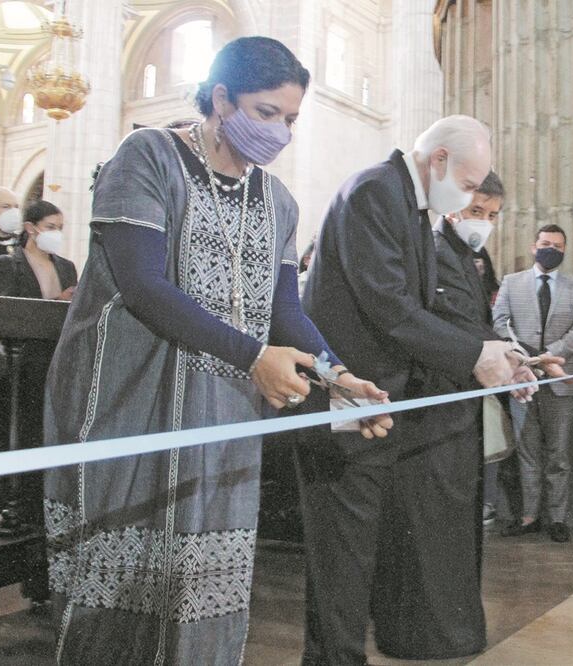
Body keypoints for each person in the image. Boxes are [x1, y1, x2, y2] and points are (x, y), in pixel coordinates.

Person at [41, 37, 389, 664]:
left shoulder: (277, 201)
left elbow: (285, 311)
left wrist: (339, 377)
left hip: (218, 411)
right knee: (119, 583)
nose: (280, 133)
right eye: (265, 114)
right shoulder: (147, 157)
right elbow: (144, 285)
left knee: (201, 588)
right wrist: (254, 357)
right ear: (220, 98)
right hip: (127, 391)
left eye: (290, 119)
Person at [296, 115, 537, 664]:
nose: (471, 197)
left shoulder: (414, 207)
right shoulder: (375, 192)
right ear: (440, 161)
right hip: (345, 402)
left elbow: (428, 307)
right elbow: (390, 306)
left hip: (378, 407)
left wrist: (499, 352)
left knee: (363, 558)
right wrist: (475, 355)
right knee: (342, 564)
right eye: (471, 185)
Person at [493, 224, 573, 542]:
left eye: (558, 245)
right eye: (546, 243)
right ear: (534, 246)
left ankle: (558, 517)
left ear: (564, 250)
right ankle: (529, 515)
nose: (551, 249)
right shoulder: (512, 283)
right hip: (522, 377)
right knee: (526, 451)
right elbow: (499, 321)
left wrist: (552, 354)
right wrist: (526, 355)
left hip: (560, 380)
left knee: (559, 453)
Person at [0, 200, 77, 300]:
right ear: (30, 228)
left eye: (60, 228)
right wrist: (58, 301)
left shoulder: (67, 267)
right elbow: (7, 308)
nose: (56, 233)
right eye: (50, 227)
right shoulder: (6, 264)